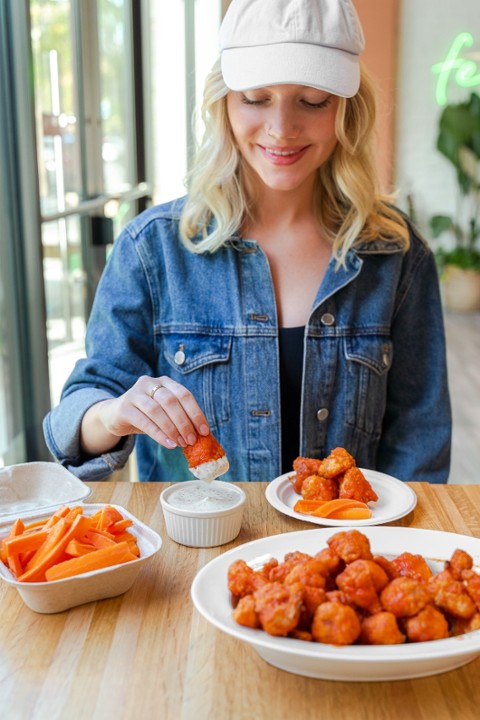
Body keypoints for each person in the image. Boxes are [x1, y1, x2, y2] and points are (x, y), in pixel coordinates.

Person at [43, 0, 452, 484]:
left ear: (347, 109)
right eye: (256, 98)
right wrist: (113, 414)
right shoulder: (152, 249)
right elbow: (76, 422)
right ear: (223, 104)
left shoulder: (397, 254)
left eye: (313, 100)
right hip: (198, 553)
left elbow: (420, 446)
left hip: (344, 553)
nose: (282, 128)